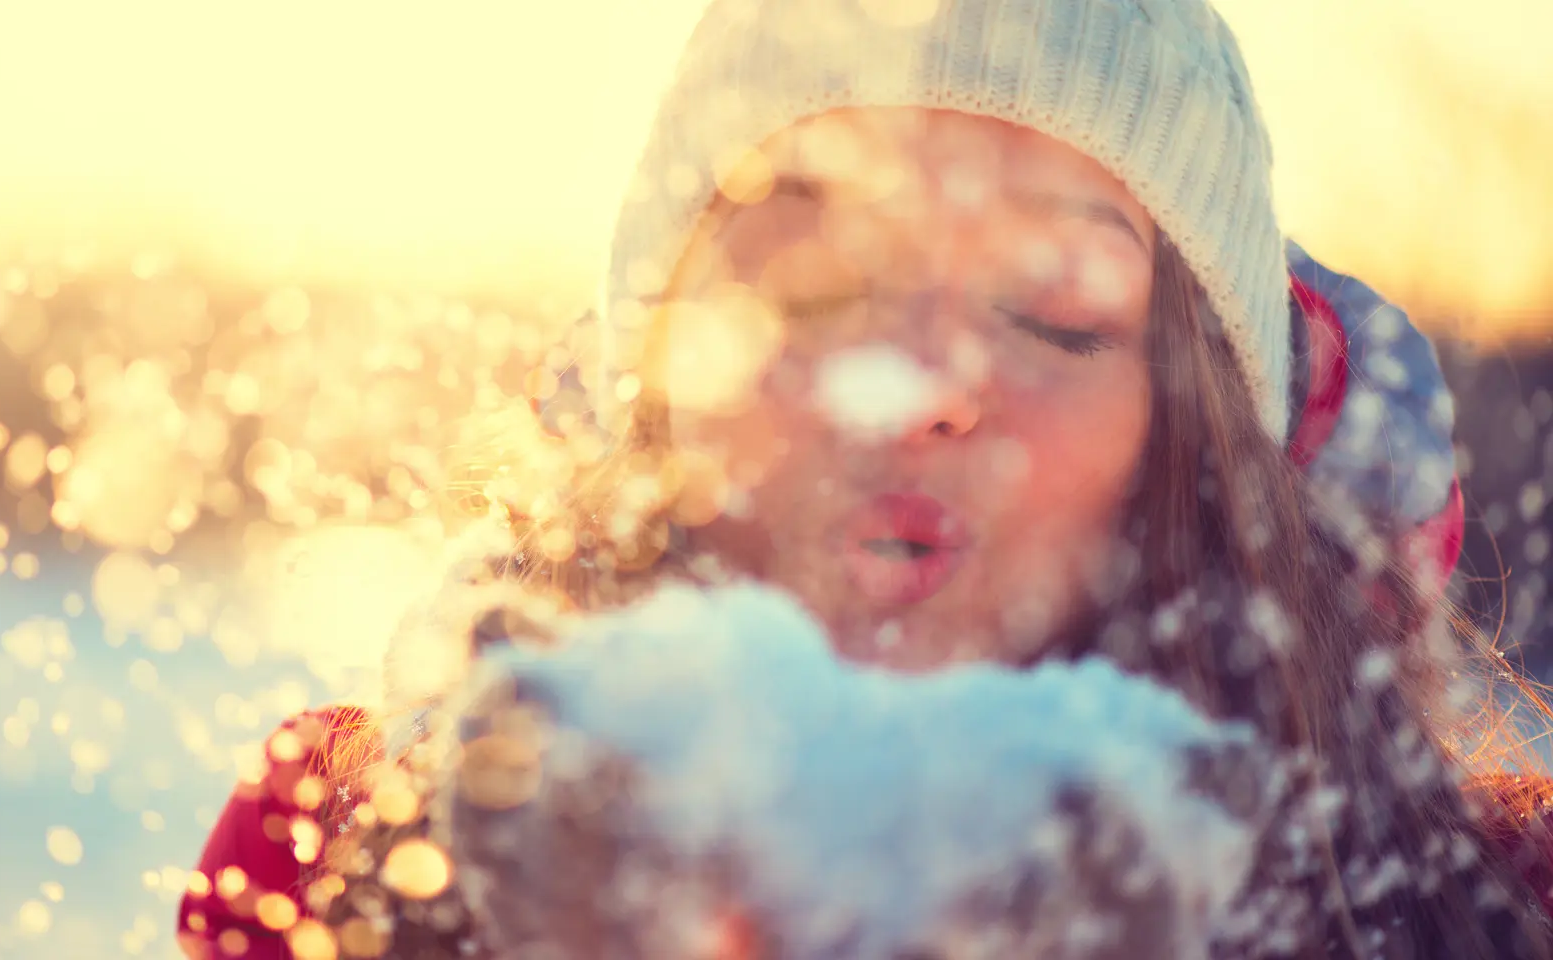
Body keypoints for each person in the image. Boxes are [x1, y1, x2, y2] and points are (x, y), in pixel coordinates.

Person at [178, 0, 1553, 956]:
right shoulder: (342, 871)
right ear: (659, 382)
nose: (920, 380)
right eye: (818, 287)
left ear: (1196, 438)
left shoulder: (1489, 910)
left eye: (1056, 312)